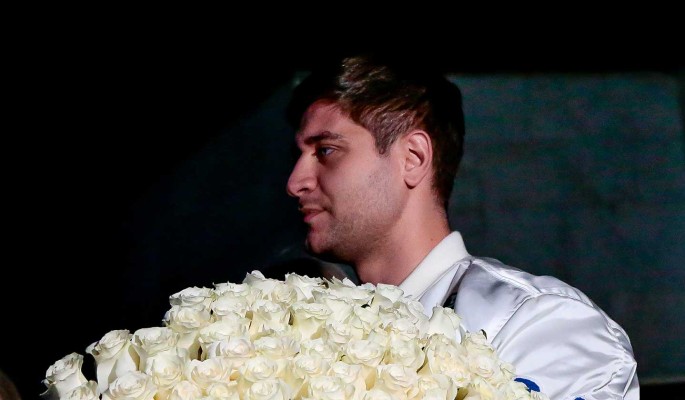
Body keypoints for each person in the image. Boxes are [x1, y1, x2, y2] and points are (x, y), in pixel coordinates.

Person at [284, 53, 639, 399]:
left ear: (413, 158)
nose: (295, 182)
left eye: (326, 150)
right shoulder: (304, 332)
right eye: (297, 156)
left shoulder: (541, 324)